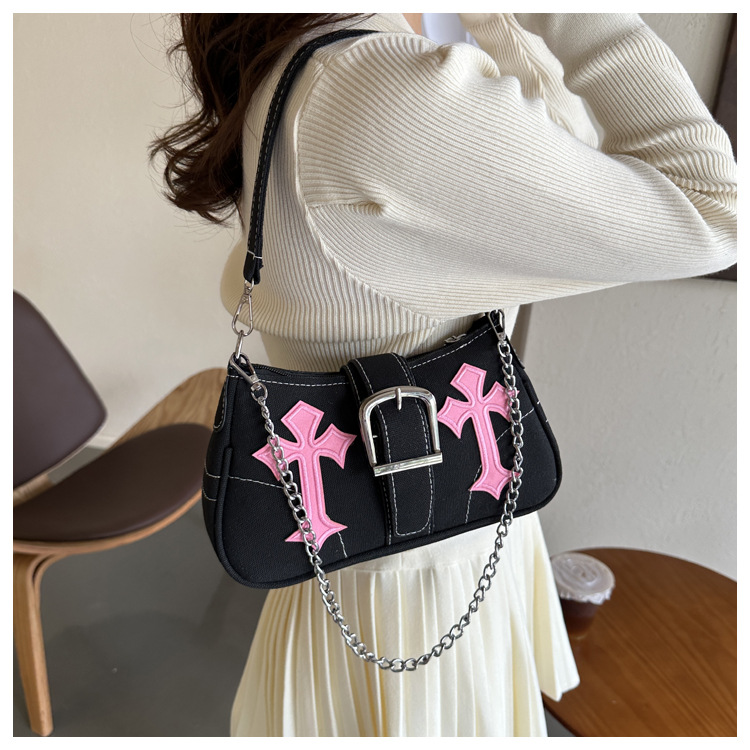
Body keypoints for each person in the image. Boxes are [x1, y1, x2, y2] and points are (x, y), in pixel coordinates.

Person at [150, 13, 736, 737]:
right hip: (426, 585)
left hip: (387, 544)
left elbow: (564, 170)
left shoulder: (303, 58)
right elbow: (717, 212)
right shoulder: (378, 85)